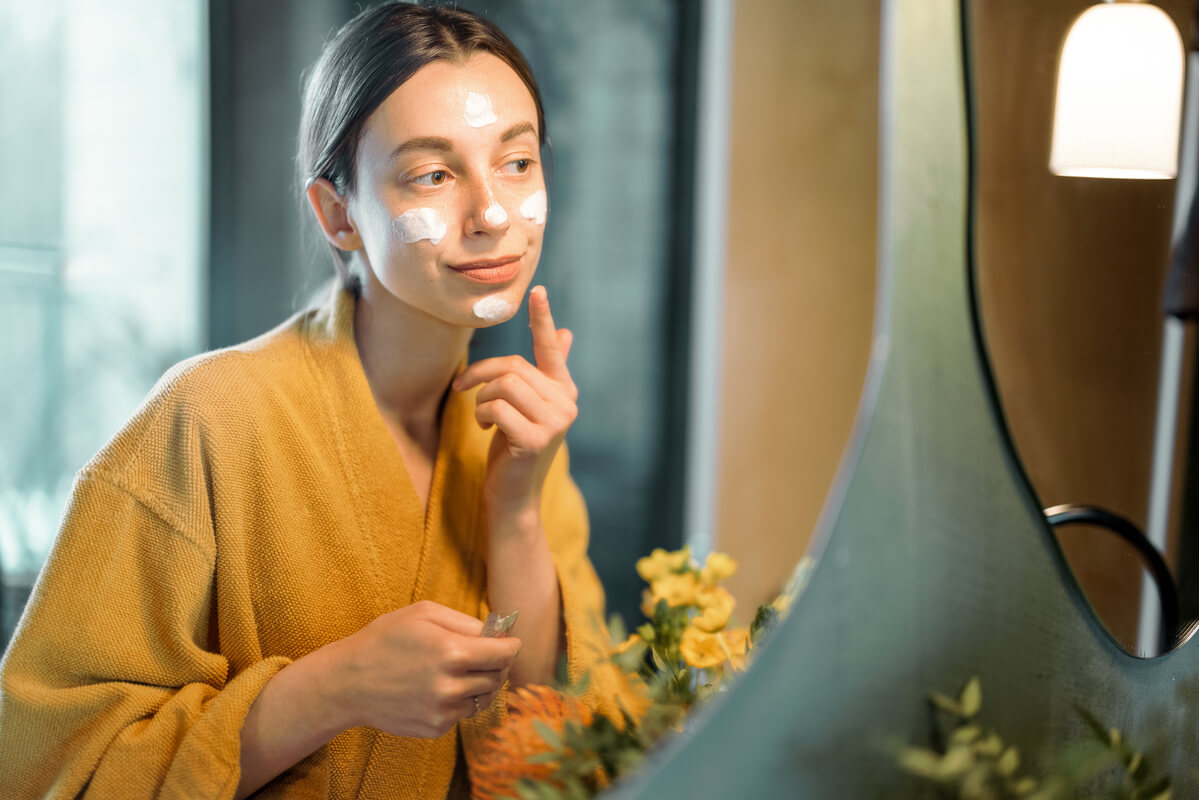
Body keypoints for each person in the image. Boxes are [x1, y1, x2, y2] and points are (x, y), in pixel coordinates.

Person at [0, 4, 626, 798]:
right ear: (338, 214)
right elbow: (50, 769)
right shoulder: (207, 418)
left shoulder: (517, 432)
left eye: (517, 162)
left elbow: (554, 750)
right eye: (433, 173)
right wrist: (329, 690)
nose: (493, 214)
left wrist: (517, 512)